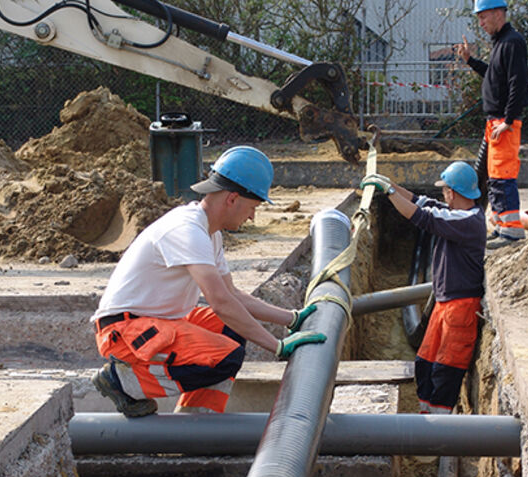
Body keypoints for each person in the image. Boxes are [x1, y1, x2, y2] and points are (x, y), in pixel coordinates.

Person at [91, 145, 326, 417]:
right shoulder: (187, 229)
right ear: (232, 199)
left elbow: (232, 295)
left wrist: (291, 318)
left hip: (155, 322)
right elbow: (220, 302)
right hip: (126, 331)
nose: (252, 216)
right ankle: (122, 382)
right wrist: (277, 346)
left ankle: (197, 419)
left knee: (231, 329)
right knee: (227, 357)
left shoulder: (209, 233)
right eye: (253, 207)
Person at [360, 162, 486, 413]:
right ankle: (425, 419)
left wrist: (390, 192)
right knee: (426, 362)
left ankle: (438, 434)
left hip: (461, 307)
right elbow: (420, 202)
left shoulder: (466, 221)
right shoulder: (455, 213)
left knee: (446, 370)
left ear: (453, 192)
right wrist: (390, 186)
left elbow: (420, 216)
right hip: (444, 303)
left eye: (445, 190)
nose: (442, 195)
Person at [455, 0, 528, 249]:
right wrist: (470, 60)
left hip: (502, 123)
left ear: (498, 13)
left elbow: (517, 84)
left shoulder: (512, 42)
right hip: (495, 122)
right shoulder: (501, 43)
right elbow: (494, 76)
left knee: (502, 177)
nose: (481, 23)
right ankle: (500, 227)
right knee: (493, 177)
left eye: (483, 17)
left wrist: (508, 121)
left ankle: (511, 233)